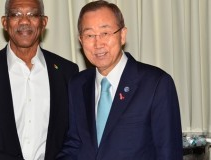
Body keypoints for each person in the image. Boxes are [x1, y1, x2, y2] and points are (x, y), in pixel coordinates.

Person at [57, 1, 182, 159]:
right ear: (81, 41)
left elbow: (168, 152)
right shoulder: (77, 84)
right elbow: (74, 145)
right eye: (89, 35)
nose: (98, 43)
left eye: (105, 33)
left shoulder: (156, 84)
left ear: (122, 35)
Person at [0, 0, 79, 159]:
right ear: (5, 22)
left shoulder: (67, 72)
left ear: (43, 22)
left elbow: (75, 138)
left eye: (33, 14)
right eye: (16, 14)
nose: (25, 21)